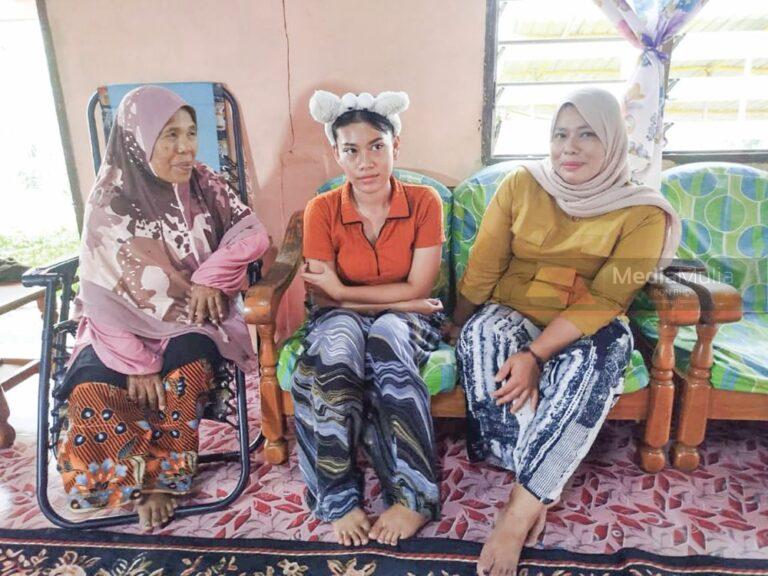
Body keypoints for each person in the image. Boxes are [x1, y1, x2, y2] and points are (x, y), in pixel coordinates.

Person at [447, 88, 681, 576]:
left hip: (589, 322)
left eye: (587, 134)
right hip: (513, 306)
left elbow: (608, 298)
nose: (568, 147)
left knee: (601, 359)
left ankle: (520, 508)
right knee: (480, 340)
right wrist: (459, 321)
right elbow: (484, 266)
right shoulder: (522, 183)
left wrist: (534, 355)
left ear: (613, 141)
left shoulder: (644, 211)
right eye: (560, 134)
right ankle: (541, 476)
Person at [56, 85, 269, 531]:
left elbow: (252, 232)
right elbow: (99, 297)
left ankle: (164, 481)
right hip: (116, 329)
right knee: (91, 389)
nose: (186, 147)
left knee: (185, 373)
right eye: (170, 135)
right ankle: (122, 480)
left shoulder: (204, 182)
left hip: (188, 317)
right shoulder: (108, 203)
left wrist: (211, 275)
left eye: (190, 133)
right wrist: (136, 363)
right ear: (138, 140)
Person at [293, 89, 445, 547]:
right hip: (340, 317)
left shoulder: (425, 202)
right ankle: (338, 496)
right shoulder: (321, 210)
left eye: (377, 146)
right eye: (352, 150)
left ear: (395, 145)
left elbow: (418, 288)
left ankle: (413, 496)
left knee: (387, 335)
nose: (366, 162)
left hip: (408, 319)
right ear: (336, 154)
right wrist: (371, 298)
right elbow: (326, 298)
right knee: (338, 344)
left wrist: (348, 293)